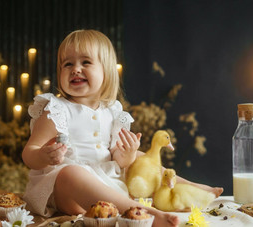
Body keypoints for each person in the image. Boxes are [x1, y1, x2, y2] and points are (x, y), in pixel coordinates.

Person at [22, 29, 222, 227]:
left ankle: (191, 189)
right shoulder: (56, 110)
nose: (75, 69)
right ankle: (141, 212)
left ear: (106, 71)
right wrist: (43, 157)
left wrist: (127, 155)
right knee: (70, 172)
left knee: (143, 157)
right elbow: (29, 153)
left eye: (86, 62)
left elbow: (117, 157)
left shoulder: (111, 111)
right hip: (66, 193)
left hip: (107, 183)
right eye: (67, 64)